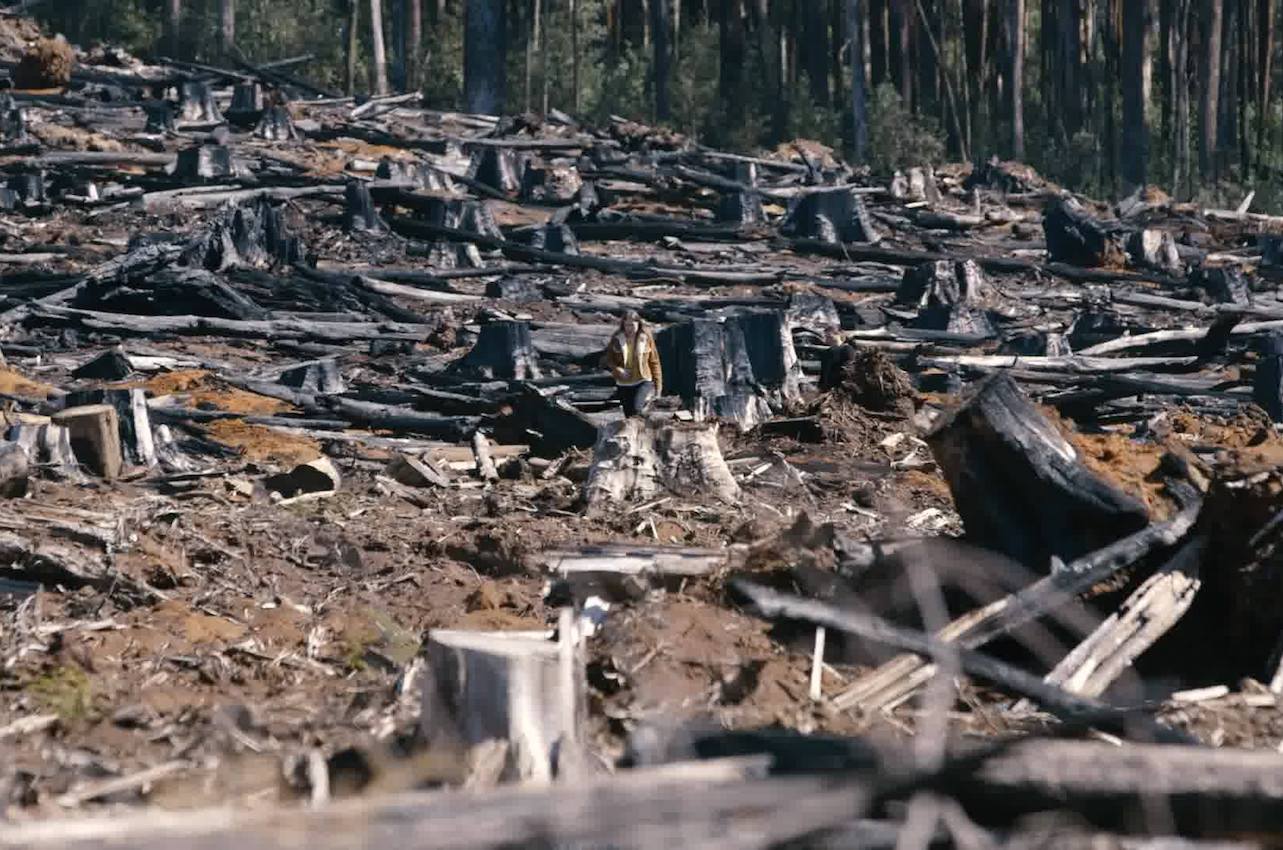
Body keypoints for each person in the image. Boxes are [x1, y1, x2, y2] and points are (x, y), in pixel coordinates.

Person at [601, 310, 663, 417]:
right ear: (623, 325)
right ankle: (635, 432)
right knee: (628, 414)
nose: (629, 328)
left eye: (632, 325)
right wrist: (617, 369)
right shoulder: (617, 338)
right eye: (627, 325)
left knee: (636, 409)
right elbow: (608, 359)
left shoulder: (646, 337)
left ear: (638, 324)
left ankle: (644, 431)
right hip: (624, 382)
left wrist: (658, 387)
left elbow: (654, 361)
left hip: (642, 379)